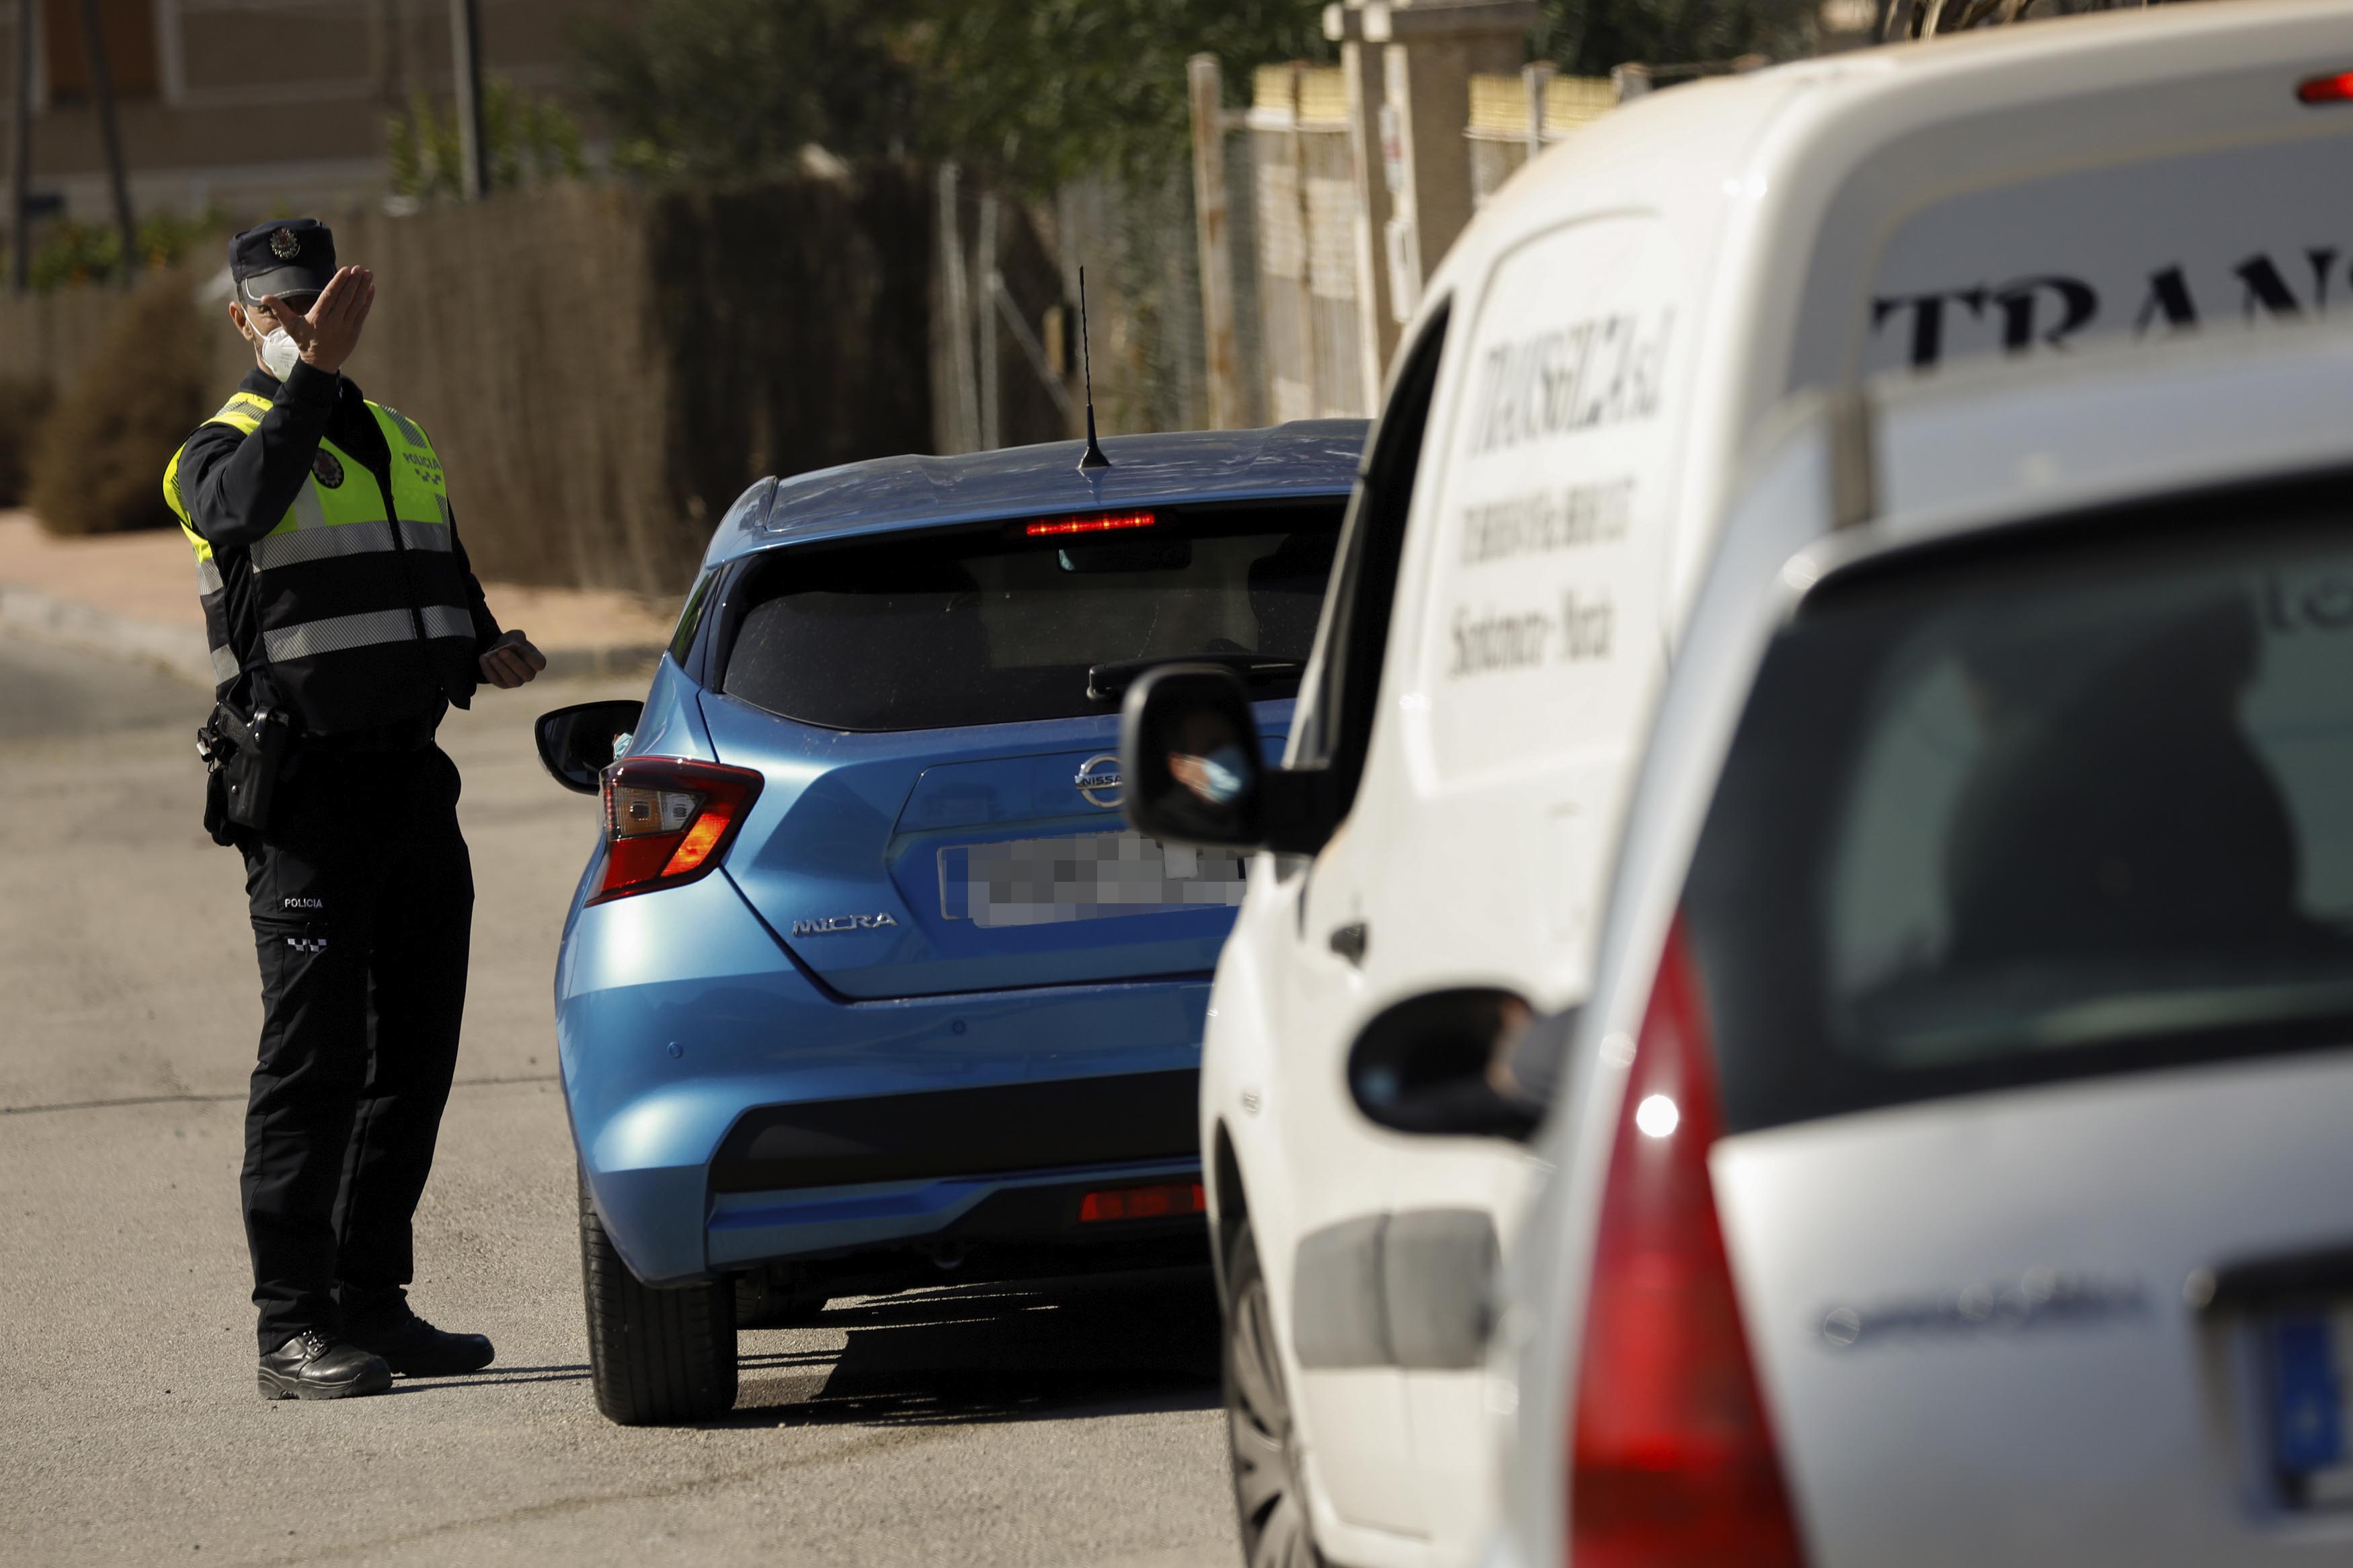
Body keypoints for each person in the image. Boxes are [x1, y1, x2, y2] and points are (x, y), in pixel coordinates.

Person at [162, 219, 547, 1401]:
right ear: (244, 321)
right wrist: (310, 375)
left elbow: (433, 555)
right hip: (306, 794)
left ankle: (374, 1301)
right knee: (313, 1064)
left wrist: (482, 640)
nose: (296, 323)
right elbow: (248, 509)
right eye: (276, 311)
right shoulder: (213, 451)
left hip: (408, 782)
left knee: (414, 1058)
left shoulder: (399, 436)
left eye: (313, 305)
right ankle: (293, 1327)